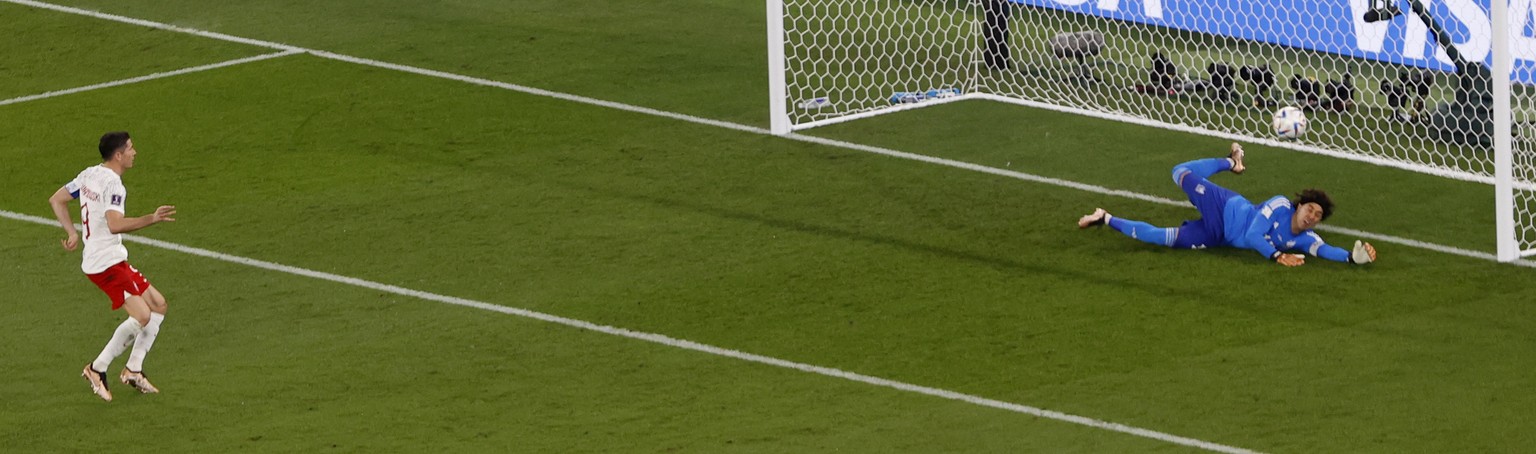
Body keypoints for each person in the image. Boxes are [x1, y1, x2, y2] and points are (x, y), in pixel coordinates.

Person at [1077, 142, 1377, 267]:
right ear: (1299, 205)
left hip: (1216, 236)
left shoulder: (1306, 238)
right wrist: (1276, 256)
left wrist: (1352, 258)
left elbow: (1322, 250)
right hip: (1225, 207)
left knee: (1161, 238)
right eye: (1310, 208)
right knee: (1179, 172)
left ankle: (1104, 218)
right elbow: (1251, 236)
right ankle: (1231, 161)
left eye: (1318, 215)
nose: (1312, 215)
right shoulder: (1279, 205)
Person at [48, 131, 177, 401]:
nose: (134, 152)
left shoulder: (89, 174)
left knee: (158, 305)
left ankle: (133, 369)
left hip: (110, 258)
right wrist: (150, 218)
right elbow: (115, 223)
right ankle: (97, 368)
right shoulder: (114, 185)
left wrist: (72, 233)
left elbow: (57, 199)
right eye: (130, 148)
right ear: (118, 155)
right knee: (143, 316)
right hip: (105, 264)